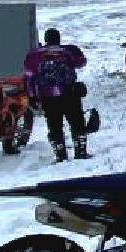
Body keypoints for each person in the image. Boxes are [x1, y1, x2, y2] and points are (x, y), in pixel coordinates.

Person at [25, 27, 90, 161]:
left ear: (46, 39)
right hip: (69, 93)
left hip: (47, 96)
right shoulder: (68, 50)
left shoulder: (34, 55)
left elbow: (29, 77)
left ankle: (60, 155)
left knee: (54, 125)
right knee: (77, 122)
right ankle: (81, 152)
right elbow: (81, 62)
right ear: (58, 38)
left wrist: (31, 96)